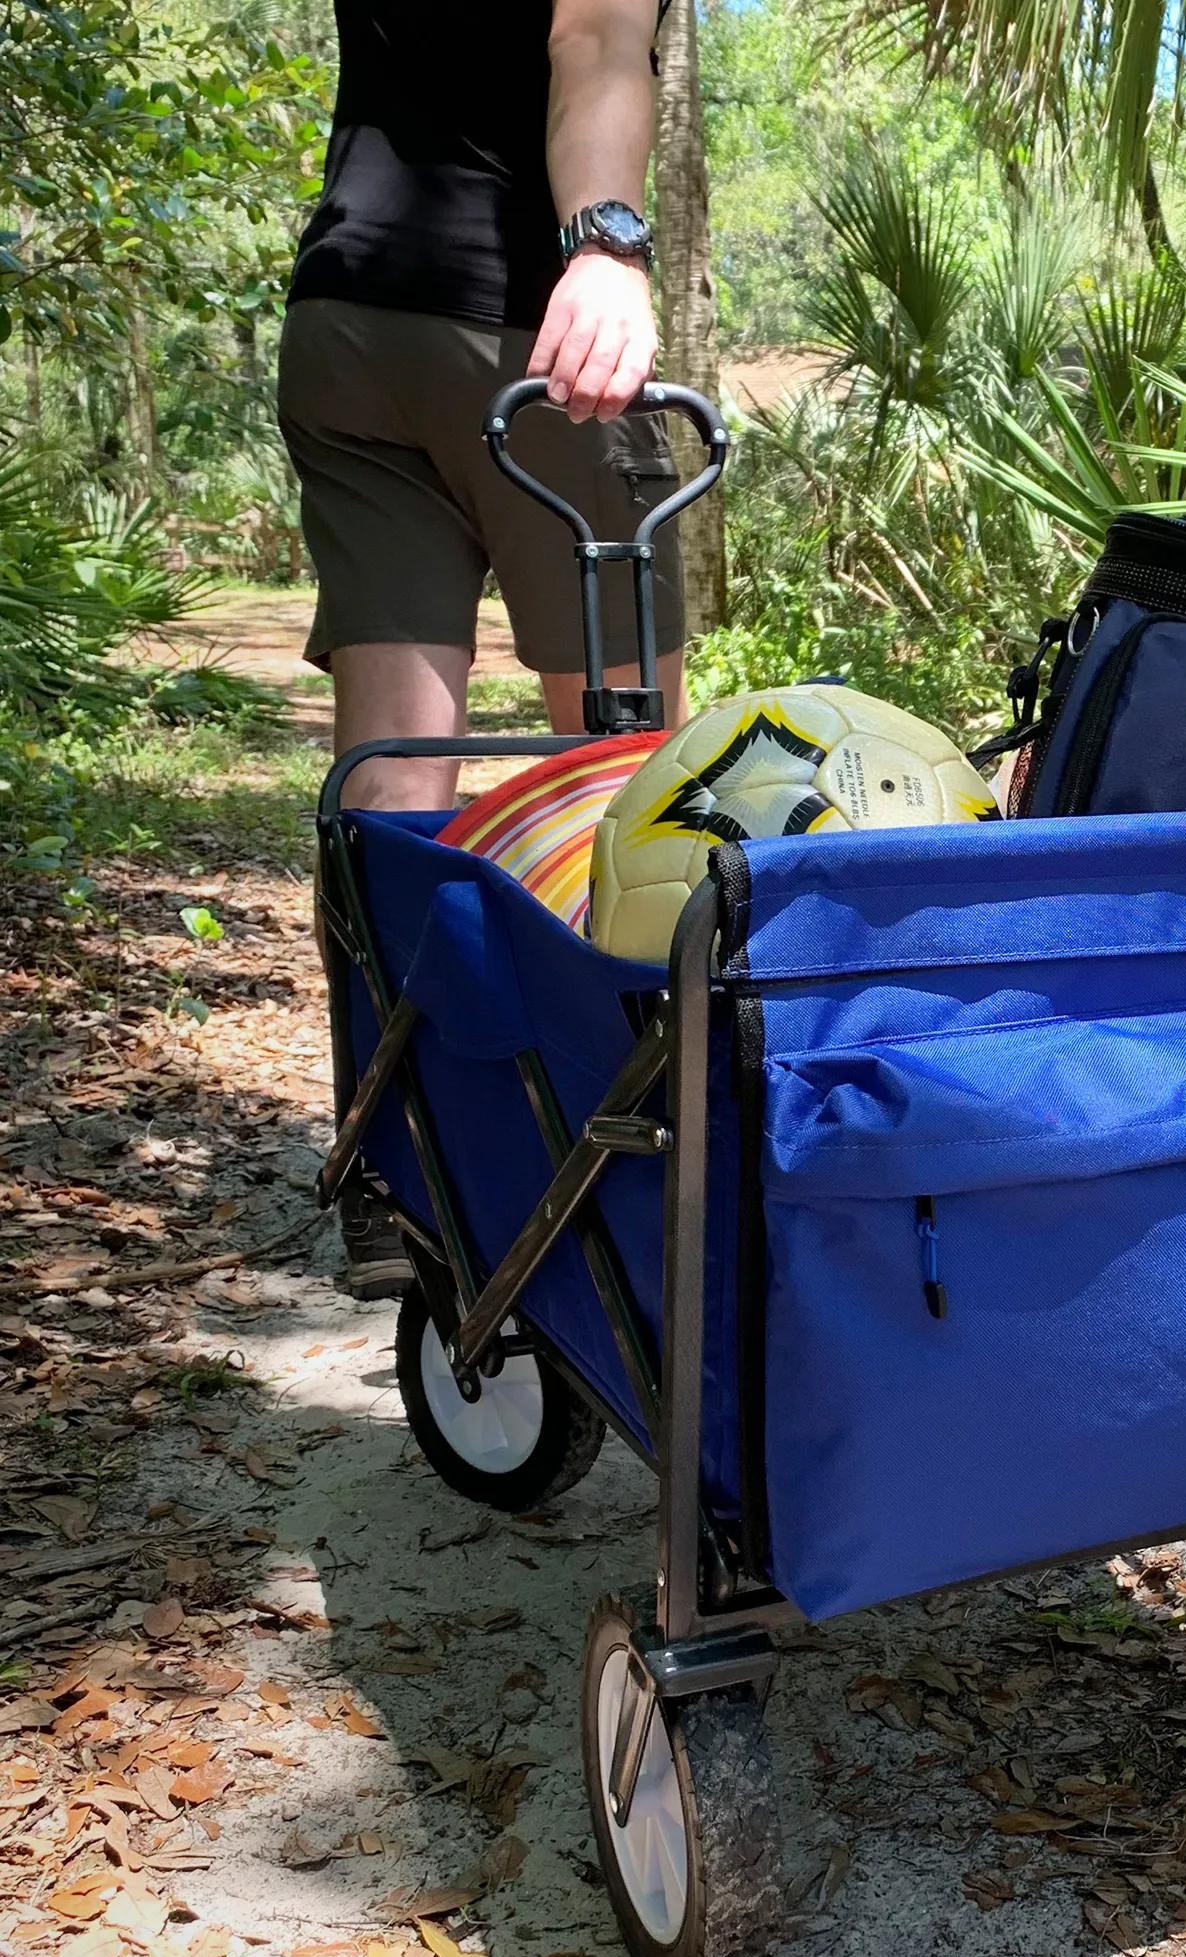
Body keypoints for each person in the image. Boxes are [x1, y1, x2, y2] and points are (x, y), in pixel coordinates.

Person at [285, 0, 685, 1293]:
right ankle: (642, 1162)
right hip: (531, 342)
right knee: (635, 781)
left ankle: (395, 1172)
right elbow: (592, 38)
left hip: (348, 320)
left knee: (395, 782)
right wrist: (608, 244)